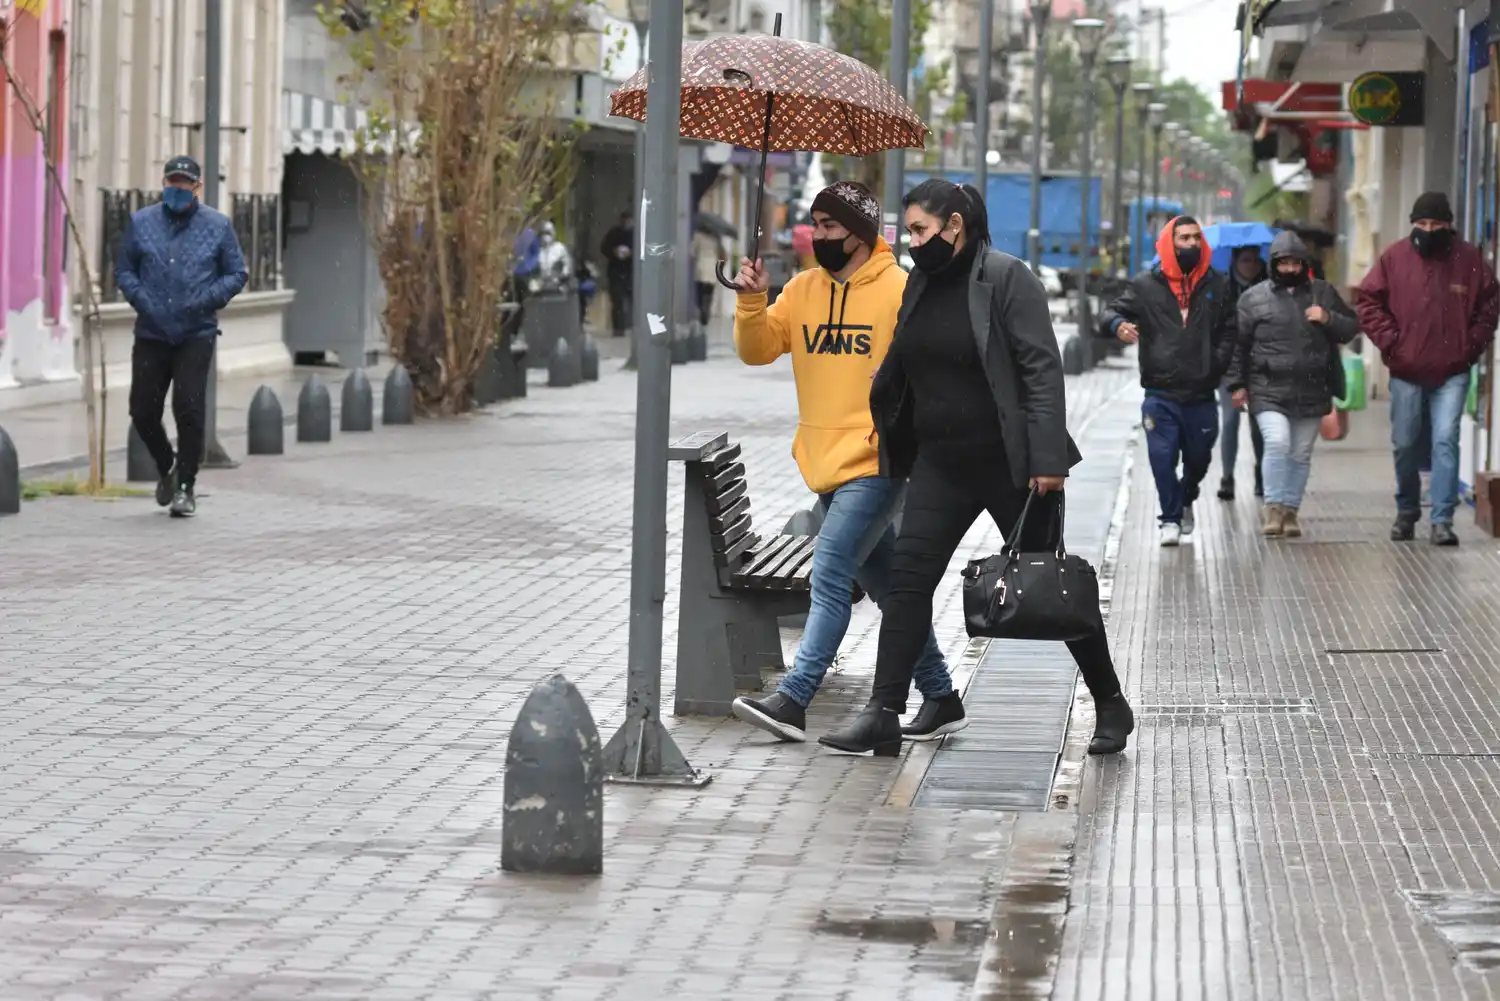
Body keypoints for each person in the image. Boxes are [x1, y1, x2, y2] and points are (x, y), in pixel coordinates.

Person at [817, 179, 1134, 758]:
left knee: (1054, 590)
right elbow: (905, 355)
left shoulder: (1008, 278)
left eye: (919, 229)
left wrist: (1047, 460)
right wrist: (885, 398)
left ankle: (1109, 700)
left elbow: (1042, 369)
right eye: (908, 231)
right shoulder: (921, 283)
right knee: (909, 585)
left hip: (1010, 464)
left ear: (955, 225)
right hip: (940, 463)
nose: (912, 242)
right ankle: (884, 712)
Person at [728, 181, 958, 743]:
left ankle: (795, 697)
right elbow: (757, 350)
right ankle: (941, 693)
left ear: (859, 234)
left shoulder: (900, 290)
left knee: (829, 571)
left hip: (878, 461)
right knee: (885, 585)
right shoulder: (803, 289)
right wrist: (752, 298)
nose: (819, 236)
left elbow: (933, 362)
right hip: (825, 463)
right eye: (817, 225)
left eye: (831, 227)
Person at [1357, 192, 1499, 545]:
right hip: (1406, 369)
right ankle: (1407, 512)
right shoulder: (1394, 257)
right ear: (1412, 224)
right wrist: (1392, 343)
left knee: (1444, 440)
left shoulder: (1469, 260)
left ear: (1449, 225)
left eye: (1436, 224)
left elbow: (1490, 304)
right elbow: (1369, 300)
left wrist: (1470, 346)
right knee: (1405, 443)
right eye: (1421, 224)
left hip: (1452, 370)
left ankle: (1442, 520)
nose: (1428, 230)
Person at [115, 155, 247, 519]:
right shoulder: (141, 223)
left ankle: (186, 486)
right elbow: (125, 271)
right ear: (163, 183)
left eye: (183, 183)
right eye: (171, 182)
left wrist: (205, 300)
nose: (176, 188)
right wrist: (144, 301)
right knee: (142, 410)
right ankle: (168, 465)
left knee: (188, 408)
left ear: (197, 187)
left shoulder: (218, 226)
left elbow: (237, 273)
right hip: (152, 331)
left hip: (195, 332)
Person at [1099, 217, 1236, 546]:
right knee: (1161, 457)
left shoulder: (1218, 283)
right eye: (1183, 238)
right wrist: (1118, 324)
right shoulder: (1146, 285)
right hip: (1160, 392)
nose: (1190, 243)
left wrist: (1216, 362)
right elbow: (1108, 312)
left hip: (1202, 393)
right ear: (1168, 243)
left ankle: (1186, 498)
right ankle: (1170, 518)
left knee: (1199, 459)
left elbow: (1231, 329)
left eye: (1195, 238)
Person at [1228, 233, 1360, 537]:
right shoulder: (1253, 298)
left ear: (1304, 264)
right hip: (1267, 388)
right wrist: (1237, 384)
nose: (1289, 268)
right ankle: (1272, 508)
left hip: (1312, 388)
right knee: (1277, 442)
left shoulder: (1322, 293)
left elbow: (1350, 327)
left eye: (1295, 262)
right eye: (1283, 262)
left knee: (1300, 453)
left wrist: (1327, 317)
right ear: (1273, 264)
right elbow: (1238, 345)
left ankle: (1290, 511)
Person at [1217, 245, 1268, 501]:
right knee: (1230, 421)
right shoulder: (1223, 289)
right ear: (1235, 261)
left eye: (1255, 260)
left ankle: (1261, 473)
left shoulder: (1270, 288)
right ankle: (1227, 476)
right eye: (1245, 260)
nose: (1251, 265)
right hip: (1229, 367)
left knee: (1259, 424)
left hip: (1260, 366)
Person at [600, 211, 635, 337]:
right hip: (616, 271)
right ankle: (619, 328)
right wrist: (614, 252)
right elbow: (604, 248)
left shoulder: (636, 234)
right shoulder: (614, 233)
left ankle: (631, 326)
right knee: (617, 301)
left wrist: (631, 254)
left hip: (631, 271)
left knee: (632, 300)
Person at [691, 227, 721, 327]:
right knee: (709, 293)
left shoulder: (697, 236)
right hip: (712, 269)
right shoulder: (715, 239)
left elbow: (692, 252)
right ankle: (706, 310)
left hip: (701, 268)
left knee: (700, 293)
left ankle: (702, 309)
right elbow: (720, 254)